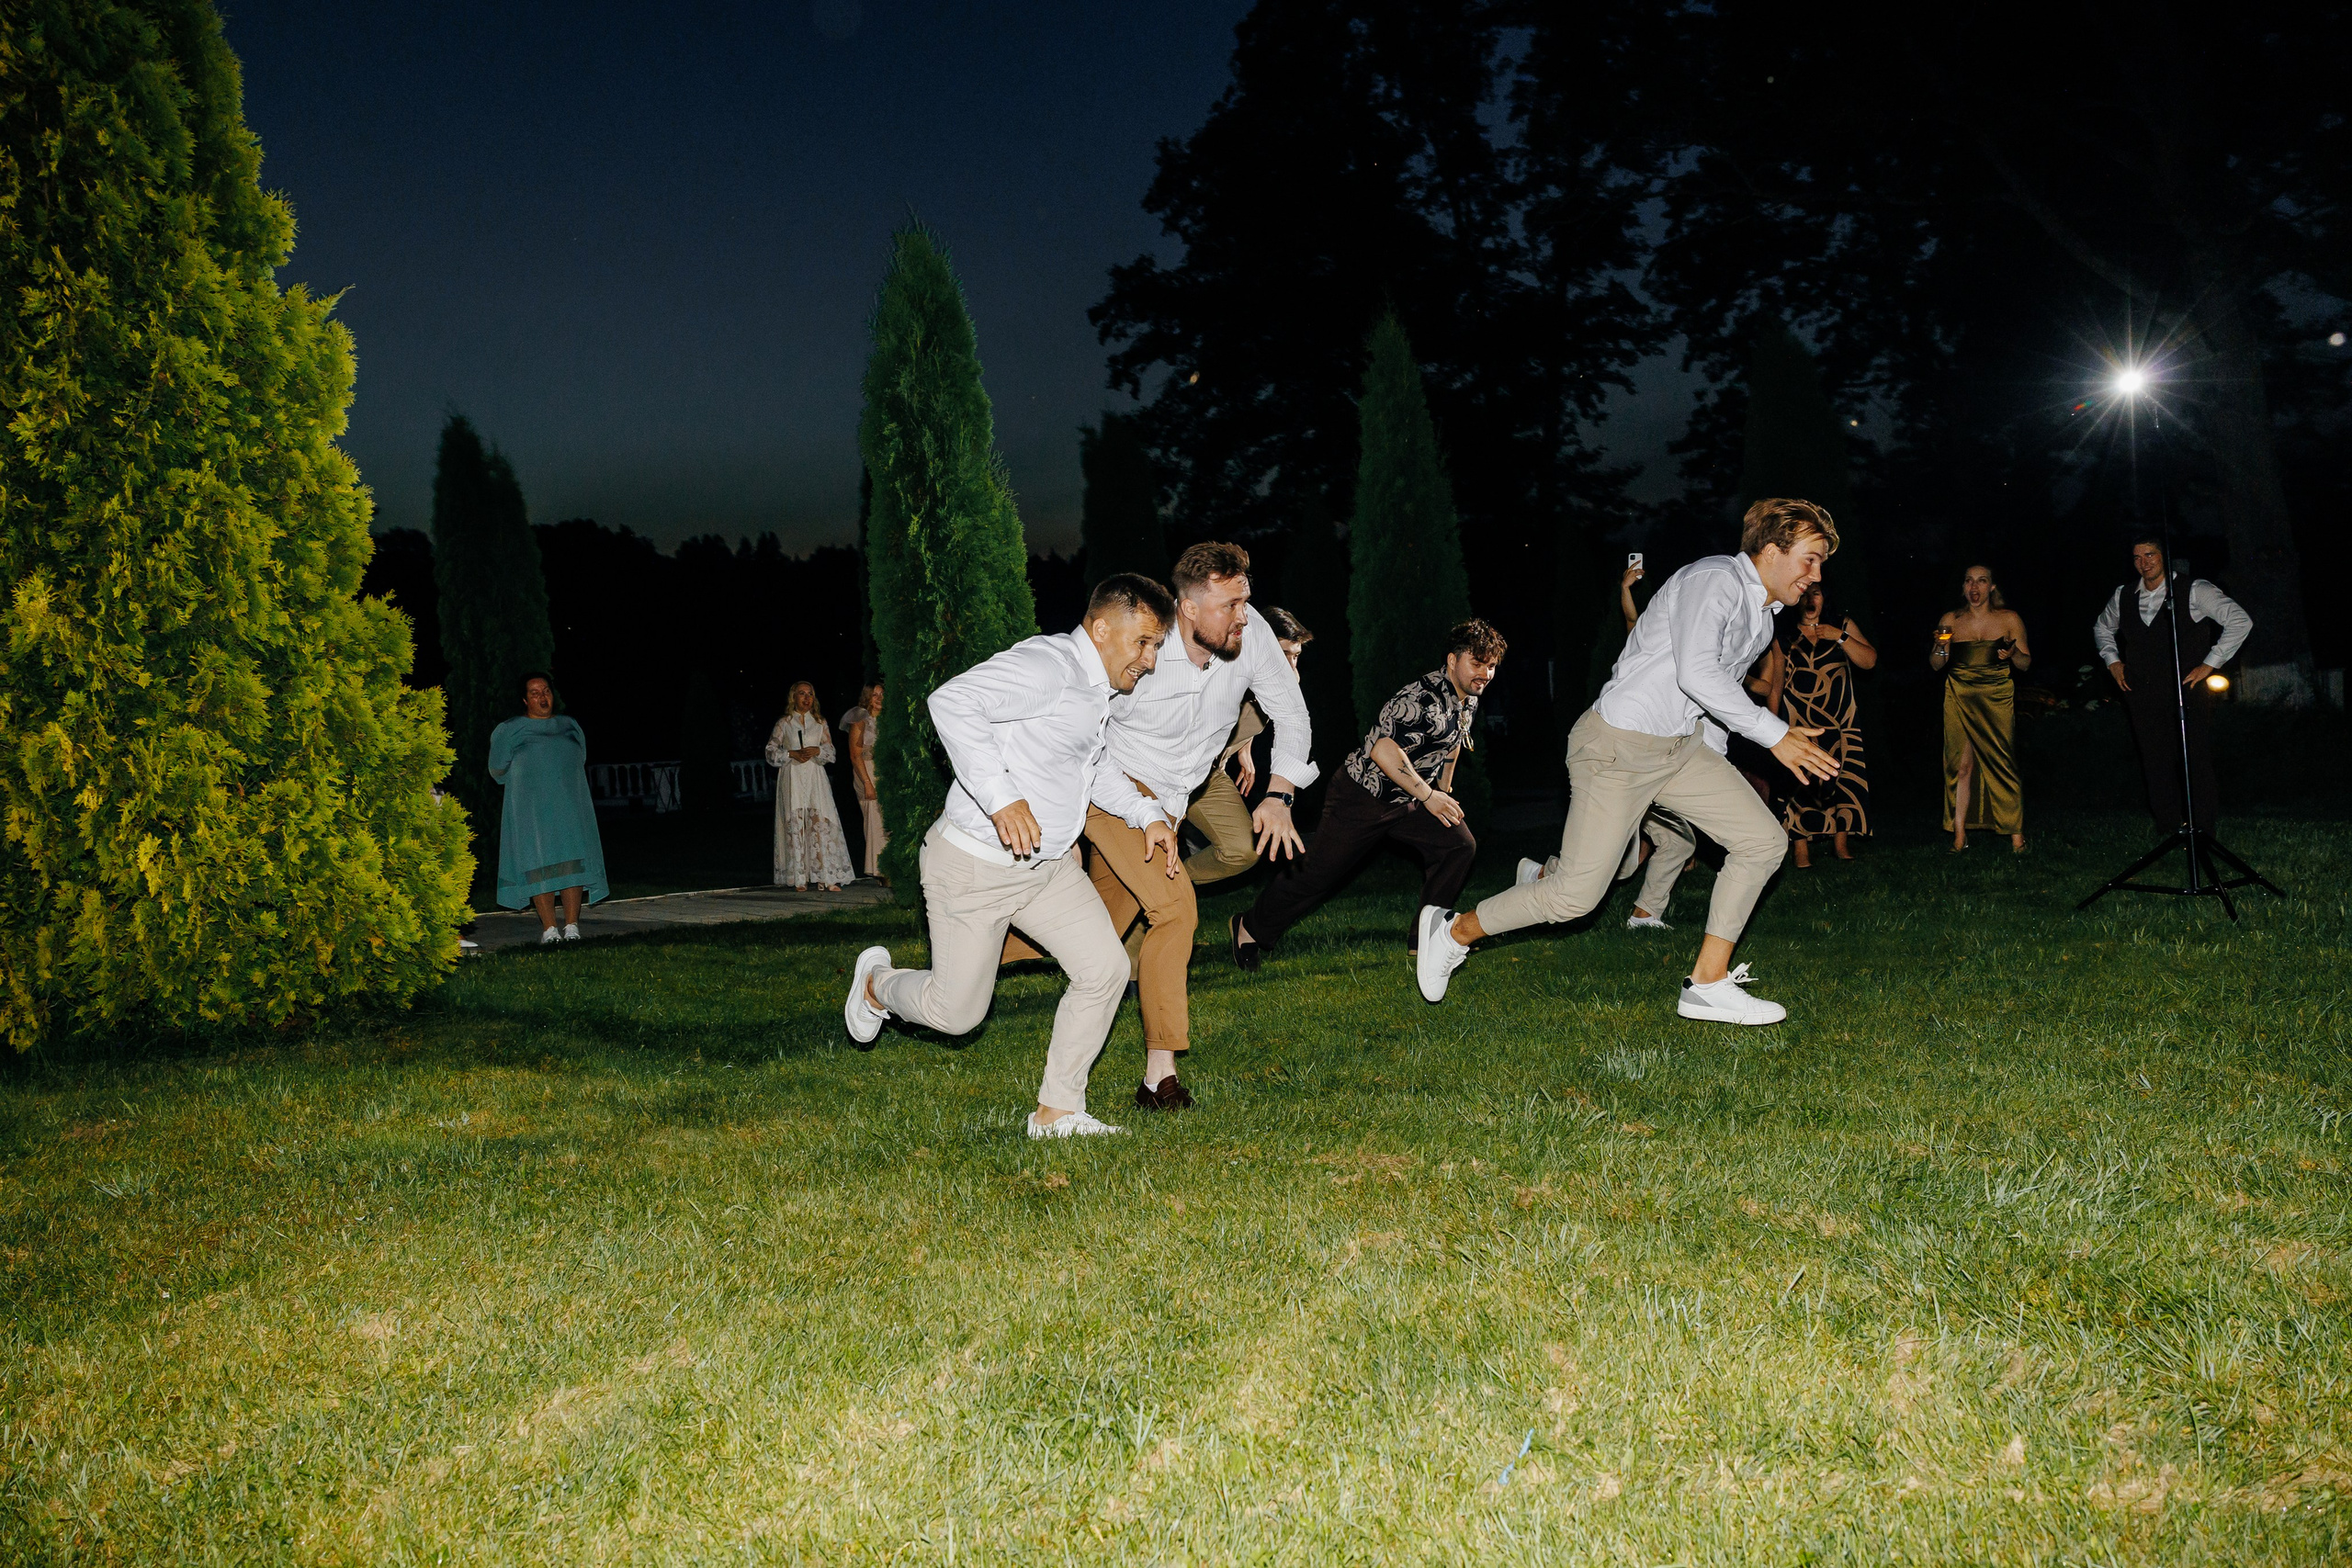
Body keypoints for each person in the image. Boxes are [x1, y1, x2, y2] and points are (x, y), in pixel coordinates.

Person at [1416, 500, 1845, 1026]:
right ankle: (1452, 932)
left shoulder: (1760, 618)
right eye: (1809, 559)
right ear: (1772, 551)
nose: (1816, 575)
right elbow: (1697, 674)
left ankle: (1707, 985)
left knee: (1762, 842)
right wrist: (1776, 735)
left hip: (1679, 749)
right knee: (1575, 898)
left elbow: (1713, 699)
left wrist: (1721, 769)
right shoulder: (1715, 580)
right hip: (1617, 747)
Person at [843, 575, 1182, 1139]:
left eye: (1156, 646)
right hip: (973, 868)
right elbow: (952, 701)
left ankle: (1057, 1112)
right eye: (1143, 642)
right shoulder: (1048, 666)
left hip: (1046, 870)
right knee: (956, 1015)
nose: (1149, 660)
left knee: (1104, 970)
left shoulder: (1094, 690)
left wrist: (1146, 814)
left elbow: (1091, 764)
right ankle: (878, 983)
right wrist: (1002, 798)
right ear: (1101, 629)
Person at [1006, 542, 1316, 1114]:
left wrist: (1279, 794)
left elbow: (1292, 714)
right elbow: (1084, 731)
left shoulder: (1251, 637)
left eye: (1245, 600)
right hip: (1114, 791)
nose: (1244, 616)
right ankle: (1160, 1077)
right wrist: (1068, 818)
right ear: (1188, 609)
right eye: (1229, 606)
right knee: (1176, 911)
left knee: (1094, 928)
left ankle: (965, 955)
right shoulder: (1145, 646)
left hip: (1173, 801)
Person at [1232, 619, 1502, 970]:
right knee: (1317, 874)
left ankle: (1428, 937)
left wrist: (1444, 790)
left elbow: (1452, 743)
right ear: (1453, 660)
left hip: (1410, 799)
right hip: (1362, 797)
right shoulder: (1419, 698)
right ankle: (1249, 927)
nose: (1485, 674)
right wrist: (1429, 796)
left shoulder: (1467, 698)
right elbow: (1383, 750)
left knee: (1459, 846)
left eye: (1491, 666)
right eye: (1477, 664)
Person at [2092, 536, 2253, 831]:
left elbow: (2240, 621)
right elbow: (2102, 627)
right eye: (2138, 557)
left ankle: (2202, 827)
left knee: (2194, 757)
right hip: (2141, 689)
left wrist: (2210, 663)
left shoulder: (2194, 589)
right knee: (2155, 759)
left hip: (2186, 687)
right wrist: (2113, 661)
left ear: (2163, 557)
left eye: (2150, 555)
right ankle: (2168, 826)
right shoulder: (2123, 595)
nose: (2144, 563)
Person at [489, 671, 609, 943]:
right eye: (534, 693)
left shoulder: (569, 725)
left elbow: (579, 758)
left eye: (546, 691)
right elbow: (497, 770)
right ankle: (549, 929)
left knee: (572, 863)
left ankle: (572, 927)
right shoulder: (510, 729)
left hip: (569, 806)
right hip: (531, 810)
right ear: (525, 700)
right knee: (537, 864)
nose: (542, 697)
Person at [1932, 564, 2030, 852]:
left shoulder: (2009, 618)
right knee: (1960, 767)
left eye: (1981, 581)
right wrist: (1940, 646)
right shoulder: (1950, 619)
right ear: (1963, 587)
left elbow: (2025, 664)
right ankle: (1959, 837)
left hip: (1996, 696)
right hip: (1958, 694)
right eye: (1969, 581)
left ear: (1992, 587)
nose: (1974, 588)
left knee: (2002, 763)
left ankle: (2017, 837)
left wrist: (2013, 653)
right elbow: (1937, 664)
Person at [1776, 584, 1877, 866]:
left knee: (1842, 776)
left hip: (1840, 718)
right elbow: (1776, 683)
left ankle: (1840, 843)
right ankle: (1800, 847)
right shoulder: (1784, 633)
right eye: (1805, 594)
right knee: (1801, 778)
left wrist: (1840, 636)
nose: (1810, 600)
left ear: (1825, 598)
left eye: (1817, 593)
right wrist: (1772, 723)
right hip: (1799, 718)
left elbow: (1869, 662)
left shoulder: (1841, 624)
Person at [766, 682, 854, 891]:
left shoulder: (820, 722)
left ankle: (825, 875)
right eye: (802, 694)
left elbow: (831, 752)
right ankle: (799, 877)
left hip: (815, 776)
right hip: (793, 776)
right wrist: (791, 753)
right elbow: (770, 751)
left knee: (819, 821)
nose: (807, 698)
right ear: (793, 697)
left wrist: (817, 751)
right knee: (796, 823)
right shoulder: (785, 723)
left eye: (810, 694)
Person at [839, 680, 888, 880]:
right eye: (875, 695)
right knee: (875, 819)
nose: (879, 698)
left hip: (884, 771)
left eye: (882, 694)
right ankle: (880, 869)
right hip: (866, 770)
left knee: (886, 819)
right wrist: (867, 783)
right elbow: (855, 754)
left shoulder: (887, 719)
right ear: (867, 697)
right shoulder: (860, 718)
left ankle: (890, 865)